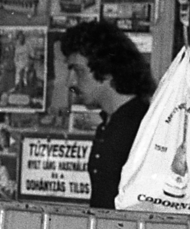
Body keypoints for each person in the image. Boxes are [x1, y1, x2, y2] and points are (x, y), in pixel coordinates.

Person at [60, 20, 155, 208]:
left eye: (78, 71)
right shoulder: (110, 122)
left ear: (107, 70)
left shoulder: (140, 125)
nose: (70, 82)